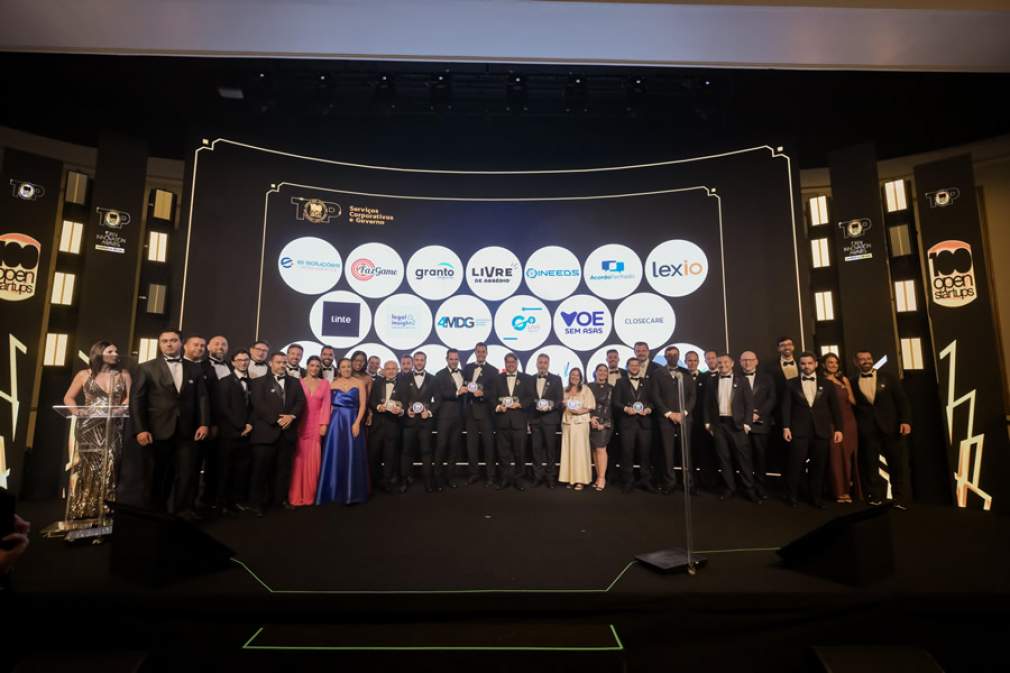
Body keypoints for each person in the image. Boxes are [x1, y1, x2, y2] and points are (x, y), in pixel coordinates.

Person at [129, 330, 210, 518]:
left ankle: (183, 512)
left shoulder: (195, 368)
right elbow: (136, 401)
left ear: (181, 343)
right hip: (157, 430)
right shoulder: (146, 368)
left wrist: (204, 423)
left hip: (188, 431)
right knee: (158, 474)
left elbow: (202, 398)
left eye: (173, 340)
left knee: (187, 473)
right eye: (164, 341)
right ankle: (156, 513)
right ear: (160, 344)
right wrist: (140, 430)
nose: (169, 344)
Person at [61, 340, 131, 519]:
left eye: (116, 351)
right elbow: (68, 397)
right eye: (110, 351)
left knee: (111, 462)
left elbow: (129, 398)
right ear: (99, 353)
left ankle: (107, 507)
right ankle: (85, 507)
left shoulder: (123, 374)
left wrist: (119, 409)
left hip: (112, 424)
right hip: (88, 426)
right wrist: (77, 411)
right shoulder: (84, 374)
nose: (116, 354)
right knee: (89, 466)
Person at [849, 349, 912, 508]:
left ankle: (900, 499)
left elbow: (902, 400)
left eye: (869, 358)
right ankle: (875, 497)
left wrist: (905, 421)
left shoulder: (888, 377)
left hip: (891, 427)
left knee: (897, 464)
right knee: (870, 465)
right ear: (856, 362)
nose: (866, 361)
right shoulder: (852, 381)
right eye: (862, 359)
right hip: (867, 429)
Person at [781, 352, 843, 509]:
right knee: (795, 465)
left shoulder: (827, 384)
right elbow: (786, 407)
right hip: (798, 430)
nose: (806, 366)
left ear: (815, 364)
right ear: (799, 365)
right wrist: (786, 427)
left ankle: (816, 498)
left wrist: (839, 429)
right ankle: (792, 496)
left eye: (809, 363)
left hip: (821, 430)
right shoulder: (790, 383)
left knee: (819, 466)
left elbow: (835, 408)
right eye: (803, 363)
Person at [248, 352, 307, 516]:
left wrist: (291, 416)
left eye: (284, 363)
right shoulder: (258, 382)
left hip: (287, 434)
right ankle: (257, 504)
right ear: (270, 363)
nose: (282, 365)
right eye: (278, 362)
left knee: (283, 470)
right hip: (265, 433)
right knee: (261, 471)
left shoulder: (295, 382)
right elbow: (258, 404)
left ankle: (280, 500)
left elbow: (301, 402)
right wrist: (278, 419)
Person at [704, 353, 760, 503]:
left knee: (743, 459)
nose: (722, 365)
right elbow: (707, 403)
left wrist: (747, 424)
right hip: (718, 425)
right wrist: (707, 422)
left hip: (737, 425)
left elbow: (749, 404)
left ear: (733, 363)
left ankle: (749, 489)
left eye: (725, 362)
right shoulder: (712, 381)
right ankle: (730, 488)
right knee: (724, 458)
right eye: (720, 362)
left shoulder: (742, 380)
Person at [317, 357, 369, 505]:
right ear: (339, 369)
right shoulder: (332, 384)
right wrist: (326, 424)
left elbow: (363, 405)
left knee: (352, 453)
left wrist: (357, 423)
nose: (346, 369)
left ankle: (353, 492)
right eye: (343, 367)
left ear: (352, 368)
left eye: (348, 366)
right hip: (336, 421)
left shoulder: (359, 383)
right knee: (335, 453)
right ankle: (333, 491)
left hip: (353, 419)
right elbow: (328, 406)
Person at [213, 349, 253, 516]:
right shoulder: (225, 382)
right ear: (233, 362)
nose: (243, 362)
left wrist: (249, 424)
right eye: (240, 360)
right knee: (225, 471)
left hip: (247, 434)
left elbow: (253, 407)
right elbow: (224, 408)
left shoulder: (252, 382)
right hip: (229, 434)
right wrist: (240, 426)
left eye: (246, 360)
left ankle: (235, 502)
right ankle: (221, 505)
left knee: (241, 471)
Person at [651, 352, 695, 494]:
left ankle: (688, 484)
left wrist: (683, 413)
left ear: (678, 356)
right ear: (665, 357)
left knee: (686, 452)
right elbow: (655, 396)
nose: (672, 357)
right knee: (667, 453)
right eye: (669, 355)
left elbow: (692, 396)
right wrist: (669, 414)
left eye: (675, 354)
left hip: (685, 418)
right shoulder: (657, 374)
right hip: (665, 419)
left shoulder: (686, 373)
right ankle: (669, 483)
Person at [397, 351, 440, 493]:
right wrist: (405, 410)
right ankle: (404, 481)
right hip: (409, 421)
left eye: (422, 360)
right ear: (413, 361)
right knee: (406, 452)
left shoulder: (433, 379)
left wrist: (429, 412)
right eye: (417, 360)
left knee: (426, 452)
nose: (419, 362)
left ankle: (428, 482)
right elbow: (400, 398)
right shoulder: (403, 378)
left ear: (425, 361)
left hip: (425, 422)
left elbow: (438, 400)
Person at [289, 356, 329, 506]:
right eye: (312, 365)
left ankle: (310, 495)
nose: (314, 368)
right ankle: (296, 495)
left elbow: (326, 405)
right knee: (298, 460)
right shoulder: (298, 382)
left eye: (317, 366)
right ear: (307, 366)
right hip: (299, 424)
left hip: (316, 426)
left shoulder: (325, 384)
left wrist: (324, 424)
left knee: (314, 460)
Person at [822, 352, 861, 503]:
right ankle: (839, 492)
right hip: (832, 422)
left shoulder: (844, 379)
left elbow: (852, 400)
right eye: (830, 362)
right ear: (823, 365)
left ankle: (850, 491)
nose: (833, 365)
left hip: (849, 421)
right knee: (836, 458)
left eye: (836, 362)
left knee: (849, 456)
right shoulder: (822, 381)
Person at [613, 357, 656, 493]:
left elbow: (653, 401)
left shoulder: (648, 382)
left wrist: (649, 409)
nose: (634, 367)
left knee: (645, 454)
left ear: (640, 367)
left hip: (645, 423)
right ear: (627, 367)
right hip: (627, 423)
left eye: (637, 365)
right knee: (627, 453)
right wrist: (626, 409)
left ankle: (646, 481)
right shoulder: (620, 382)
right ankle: (628, 481)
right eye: (632, 365)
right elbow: (615, 402)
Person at [739, 350, 776, 500]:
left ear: (756, 361)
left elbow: (772, 399)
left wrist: (758, 413)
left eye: (750, 359)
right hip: (741, 425)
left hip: (761, 424)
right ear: (740, 362)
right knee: (744, 458)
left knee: (761, 458)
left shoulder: (767, 378)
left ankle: (761, 487)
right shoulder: (735, 377)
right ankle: (748, 487)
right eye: (744, 360)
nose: (747, 362)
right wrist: (746, 416)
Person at [492, 352, 532, 491]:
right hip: (502, 421)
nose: (510, 364)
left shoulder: (526, 378)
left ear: (517, 363)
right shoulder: (497, 379)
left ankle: (519, 480)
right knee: (503, 454)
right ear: (505, 363)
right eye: (508, 362)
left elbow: (530, 397)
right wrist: (498, 407)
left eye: (513, 362)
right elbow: (491, 397)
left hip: (519, 422)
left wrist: (520, 404)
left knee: (520, 453)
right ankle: (504, 479)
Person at [462, 342, 499, 486]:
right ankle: (473, 474)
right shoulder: (467, 368)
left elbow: (495, 392)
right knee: (471, 446)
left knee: (488, 446)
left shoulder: (493, 371)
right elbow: (463, 385)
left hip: (486, 413)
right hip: (470, 413)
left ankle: (491, 476)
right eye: (479, 351)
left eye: (483, 351)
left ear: (487, 353)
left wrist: (483, 393)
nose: (481, 354)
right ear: (475, 352)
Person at [368, 360, 404, 492]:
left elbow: (406, 403)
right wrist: (378, 406)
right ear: (384, 370)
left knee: (390, 456)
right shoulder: (377, 382)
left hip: (393, 425)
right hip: (377, 426)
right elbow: (371, 400)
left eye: (393, 368)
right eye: (388, 368)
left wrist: (401, 411)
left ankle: (388, 482)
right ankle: (373, 482)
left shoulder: (403, 384)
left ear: (397, 370)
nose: (391, 371)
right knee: (373, 455)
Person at [528, 353, 563, 488]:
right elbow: (528, 399)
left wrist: (550, 406)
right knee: (536, 450)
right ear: (536, 364)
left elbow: (559, 400)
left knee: (550, 450)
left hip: (550, 420)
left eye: (545, 362)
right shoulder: (530, 379)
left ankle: (550, 477)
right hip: (535, 420)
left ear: (548, 364)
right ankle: (537, 477)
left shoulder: (556, 379)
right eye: (540, 362)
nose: (542, 365)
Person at [432, 349, 466, 490]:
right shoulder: (439, 375)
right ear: (447, 359)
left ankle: (450, 477)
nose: (454, 361)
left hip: (459, 417)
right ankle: (437, 479)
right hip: (444, 417)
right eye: (451, 359)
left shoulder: (463, 373)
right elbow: (440, 394)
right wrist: (457, 392)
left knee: (454, 448)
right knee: (441, 447)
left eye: (456, 359)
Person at [559, 368, 595, 490]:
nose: (575, 377)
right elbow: (561, 405)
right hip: (567, 422)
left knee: (580, 451)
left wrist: (580, 411)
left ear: (581, 377)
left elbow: (590, 406)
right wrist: (563, 404)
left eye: (577, 375)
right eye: (572, 375)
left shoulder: (586, 389)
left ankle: (580, 480)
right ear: (569, 376)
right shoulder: (564, 389)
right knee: (568, 451)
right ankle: (570, 479)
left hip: (580, 422)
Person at [588, 364, 614, 491]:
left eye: (605, 370)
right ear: (595, 372)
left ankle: (602, 478)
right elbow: (585, 403)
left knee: (601, 449)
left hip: (604, 423)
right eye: (600, 370)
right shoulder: (588, 386)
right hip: (591, 421)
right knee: (594, 450)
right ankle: (598, 477)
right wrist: (590, 418)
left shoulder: (611, 388)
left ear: (607, 373)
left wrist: (603, 424)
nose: (602, 372)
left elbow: (610, 407)